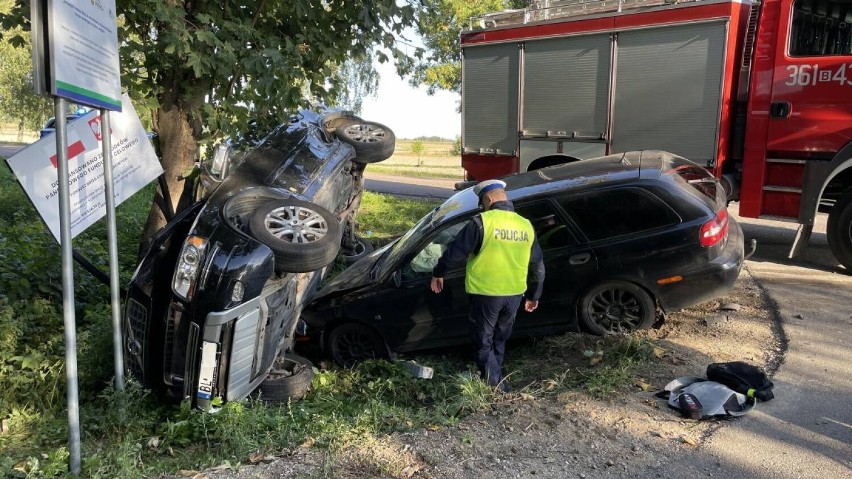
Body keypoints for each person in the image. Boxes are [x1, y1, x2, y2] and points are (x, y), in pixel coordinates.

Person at [430, 179, 545, 392]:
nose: (482, 206)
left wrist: (439, 273)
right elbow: (537, 264)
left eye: (482, 202)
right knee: (499, 339)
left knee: (482, 341)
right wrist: (534, 295)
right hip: (514, 295)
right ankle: (493, 375)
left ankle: (497, 386)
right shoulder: (525, 224)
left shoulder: (481, 222)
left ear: (489, 199)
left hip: (486, 295)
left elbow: (455, 253)